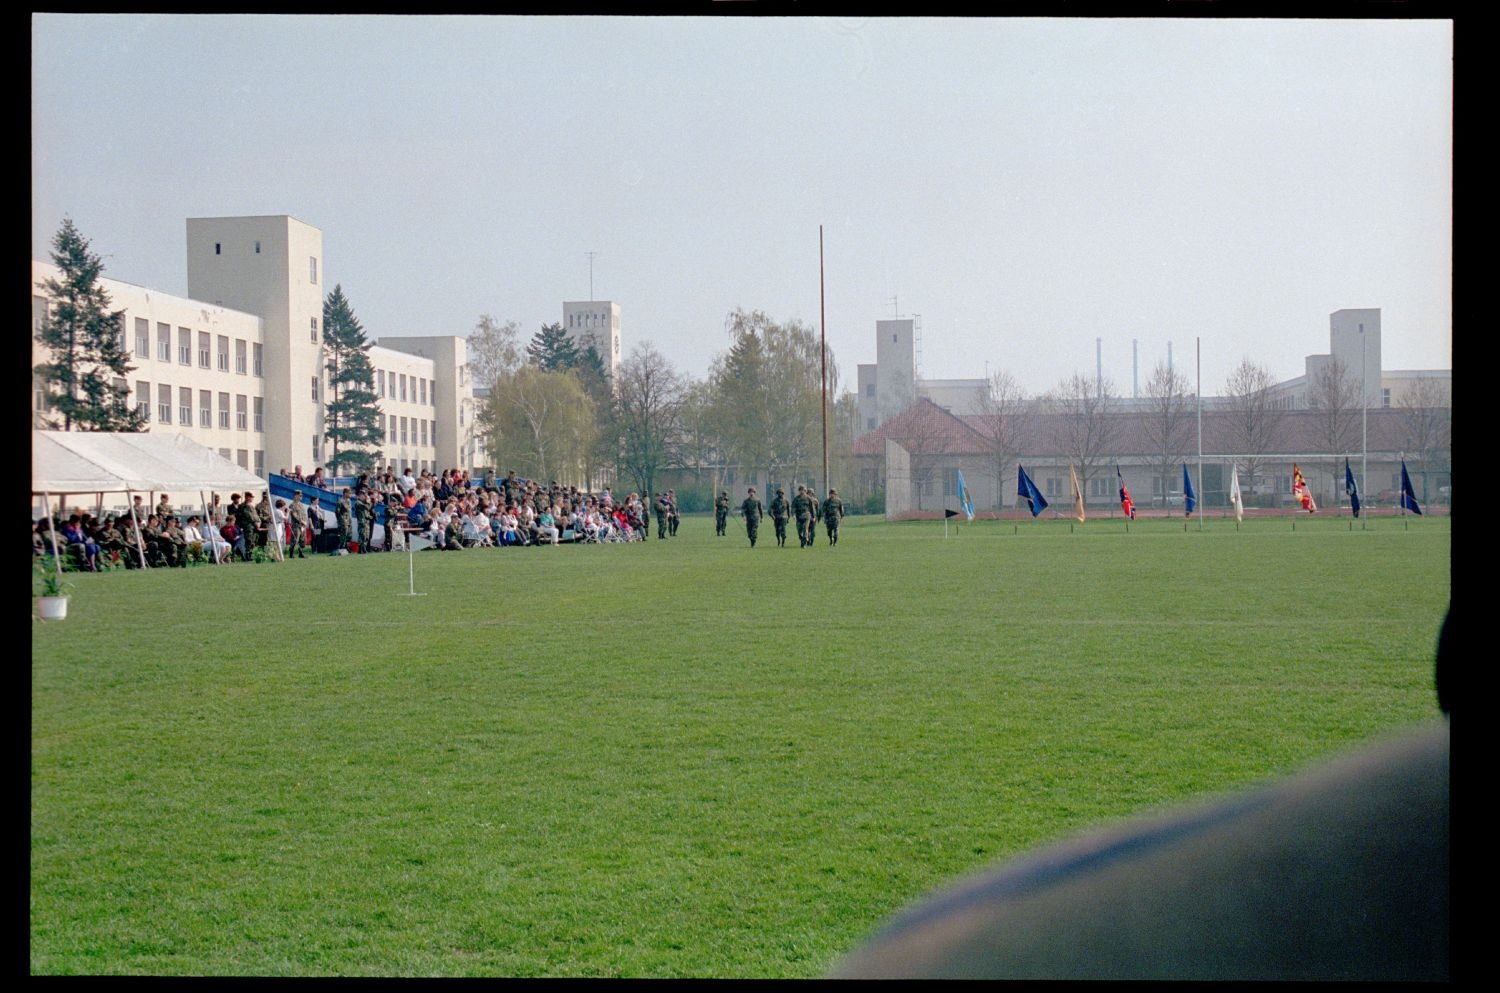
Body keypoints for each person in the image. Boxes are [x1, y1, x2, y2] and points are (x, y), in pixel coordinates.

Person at [288, 492, 308, 558]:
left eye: (301, 496)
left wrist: (305, 521)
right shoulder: (292, 505)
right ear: (296, 496)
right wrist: (301, 521)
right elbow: (294, 515)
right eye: (299, 496)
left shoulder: (301, 505)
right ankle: (291, 554)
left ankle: (301, 553)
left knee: (302, 539)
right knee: (295, 539)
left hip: (302, 525)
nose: (301, 497)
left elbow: (304, 514)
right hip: (296, 525)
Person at [335, 487, 353, 552]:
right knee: (343, 534)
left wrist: (350, 519)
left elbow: (349, 511)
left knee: (349, 534)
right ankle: (342, 547)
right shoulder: (340, 501)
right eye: (349, 493)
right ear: (345, 493)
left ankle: (347, 547)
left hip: (349, 520)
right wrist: (340, 520)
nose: (350, 494)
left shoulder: (349, 501)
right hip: (343, 521)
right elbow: (337, 512)